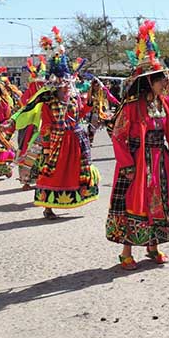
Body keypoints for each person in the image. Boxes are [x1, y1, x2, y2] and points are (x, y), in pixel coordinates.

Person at [106, 20, 169, 269]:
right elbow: (118, 136)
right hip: (137, 161)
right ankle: (126, 251)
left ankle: (153, 246)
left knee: (161, 202)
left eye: (164, 78)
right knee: (135, 203)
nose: (165, 83)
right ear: (148, 81)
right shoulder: (131, 106)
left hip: (160, 160)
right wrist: (127, 164)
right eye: (160, 79)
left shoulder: (166, 105)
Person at [23, 28, 100, 219]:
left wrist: (90, 101)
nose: (65, 88)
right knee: (52, 172)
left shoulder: (74, 100)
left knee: (78, 171)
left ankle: (75, 198)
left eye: (67, 84)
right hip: (57, 142)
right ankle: (48, 206)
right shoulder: (48, 104)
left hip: (75, 140)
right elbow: (47, 125)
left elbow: (81, 113)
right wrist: (49, 145)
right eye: (62, 85)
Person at [15, 56, 47, 189]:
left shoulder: (45, 93)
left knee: (33, 154)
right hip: (30, 129)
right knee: (30, 153)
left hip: (40, 128)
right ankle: (27, 181)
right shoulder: (33, 94)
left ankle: (30, 181)